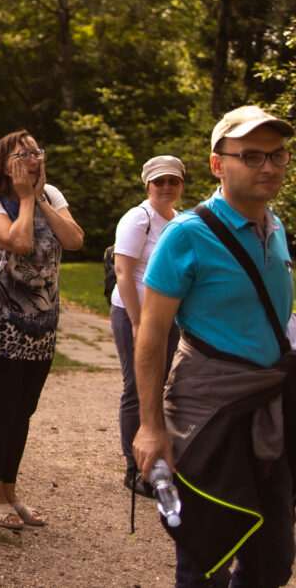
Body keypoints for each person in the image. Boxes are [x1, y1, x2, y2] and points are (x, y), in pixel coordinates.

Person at [134, 106, 296, 587]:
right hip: (208, 418)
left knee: (272, 562)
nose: (268, 167)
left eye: (277, 156)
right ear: (217, 164)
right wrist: (149, 427)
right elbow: (151, 333)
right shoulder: (187, 236)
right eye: (251, 156)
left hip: (269, 415)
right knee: (207, 556)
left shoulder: (277, 227)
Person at [0, 130, 83, 530]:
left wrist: (39, 197)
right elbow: (18, 242)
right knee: (5, 403)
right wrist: (24, 198)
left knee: (25, 408)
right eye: (23, 155)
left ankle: (9, 489)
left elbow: (74, 239)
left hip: (42, 322)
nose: (33, 159)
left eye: (37, 152)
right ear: (4, 164)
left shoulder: (51, 195)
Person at [110, 155, 185, 496]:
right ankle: (134, 467)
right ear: (148, 185)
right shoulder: (138, 219)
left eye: (173, 181)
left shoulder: (181, 221)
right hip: (134, 315)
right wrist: (138, 322)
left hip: (168, 316)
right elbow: (123, 272)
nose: (166, 187)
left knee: (165, 386)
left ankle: (162, 459)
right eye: (159, 182)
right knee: (137, 386)